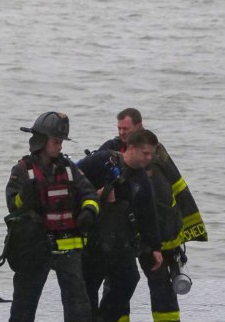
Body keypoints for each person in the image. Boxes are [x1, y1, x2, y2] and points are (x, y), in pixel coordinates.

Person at [96, 108, 207, 322]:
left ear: (139, 126)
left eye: (126, 128)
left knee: (161, 284)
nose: (121, 133)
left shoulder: (155, 155)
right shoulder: (109, 150)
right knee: (117, 284)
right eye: (119, 128)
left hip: (154, 233)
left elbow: (171, 194)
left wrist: (170, 237)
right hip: (122, 232)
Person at [5, 111, 99, 322]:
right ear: (41, 141)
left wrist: (89, 211)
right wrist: (23, 198)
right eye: (56, 141)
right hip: (34, 247)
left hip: (68, 245)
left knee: (78, 304)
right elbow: (12, 205)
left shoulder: (69, 168)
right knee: (24, 303)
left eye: (61, 142)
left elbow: (90, 194)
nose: (60, 146)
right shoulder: (22, 170)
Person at [78, 129, 163, 322]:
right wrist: (97, 195)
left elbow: (148, 215)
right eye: (145, 153)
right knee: (88, 288)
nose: (148, 158)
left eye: (151, 154)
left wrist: (155, 247)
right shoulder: (102, 160)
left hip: (121, 243)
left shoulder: (142, 178)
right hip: (93, 242)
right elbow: (71, 181)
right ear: (131, 148)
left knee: (129, 279)